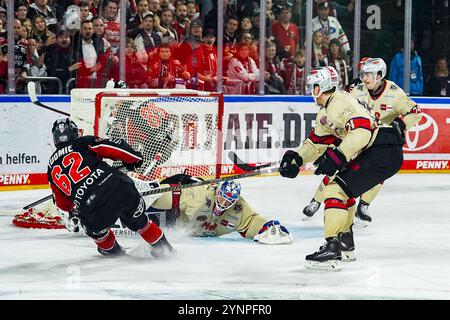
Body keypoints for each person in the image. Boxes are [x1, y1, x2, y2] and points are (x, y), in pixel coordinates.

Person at [279, 66, 405, 270]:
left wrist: (337, 156)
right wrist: (297, 159)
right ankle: (346, 245)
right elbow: (315, 144)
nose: (310, 89)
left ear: (321, 87)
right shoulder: (326, 110)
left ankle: (332, 248)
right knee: (342, 192)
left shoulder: (341, 102)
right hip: (376, 151)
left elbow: (362, 132)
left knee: (334, 190)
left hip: (383, 150)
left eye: (313, 86)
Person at [302, 59, 423, 226]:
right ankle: (316, 200)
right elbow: (339, 106)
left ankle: (363, 205)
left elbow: (415, 112)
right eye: (363, 74)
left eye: (369, 75)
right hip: (357, 139)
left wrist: (402, 124)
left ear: (380, 76)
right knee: (337, 165)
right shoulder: (357, 90)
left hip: (379, 143)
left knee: (377, 173)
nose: (364, 78)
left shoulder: (394, 93)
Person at [48, 118, 174, 257]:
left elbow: (63, 204)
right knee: (141, 222)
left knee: (96, 232)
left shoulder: (51, 166)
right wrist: (135, 159)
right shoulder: (82, 142)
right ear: (74, 132)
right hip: (120, 188)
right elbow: (115, 146)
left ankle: (115, 254)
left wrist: (75, 206)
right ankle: (167, 252)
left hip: (93, 208)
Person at [147, 174, 293, 245]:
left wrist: (268, 226)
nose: (224, 203)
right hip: (176, 229)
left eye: (229, 201)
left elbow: (252, 221)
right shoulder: (199, 194)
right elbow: (171, 195)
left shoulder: (238, 208)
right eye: (222, 197)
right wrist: (142, 199)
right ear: (218, 192)